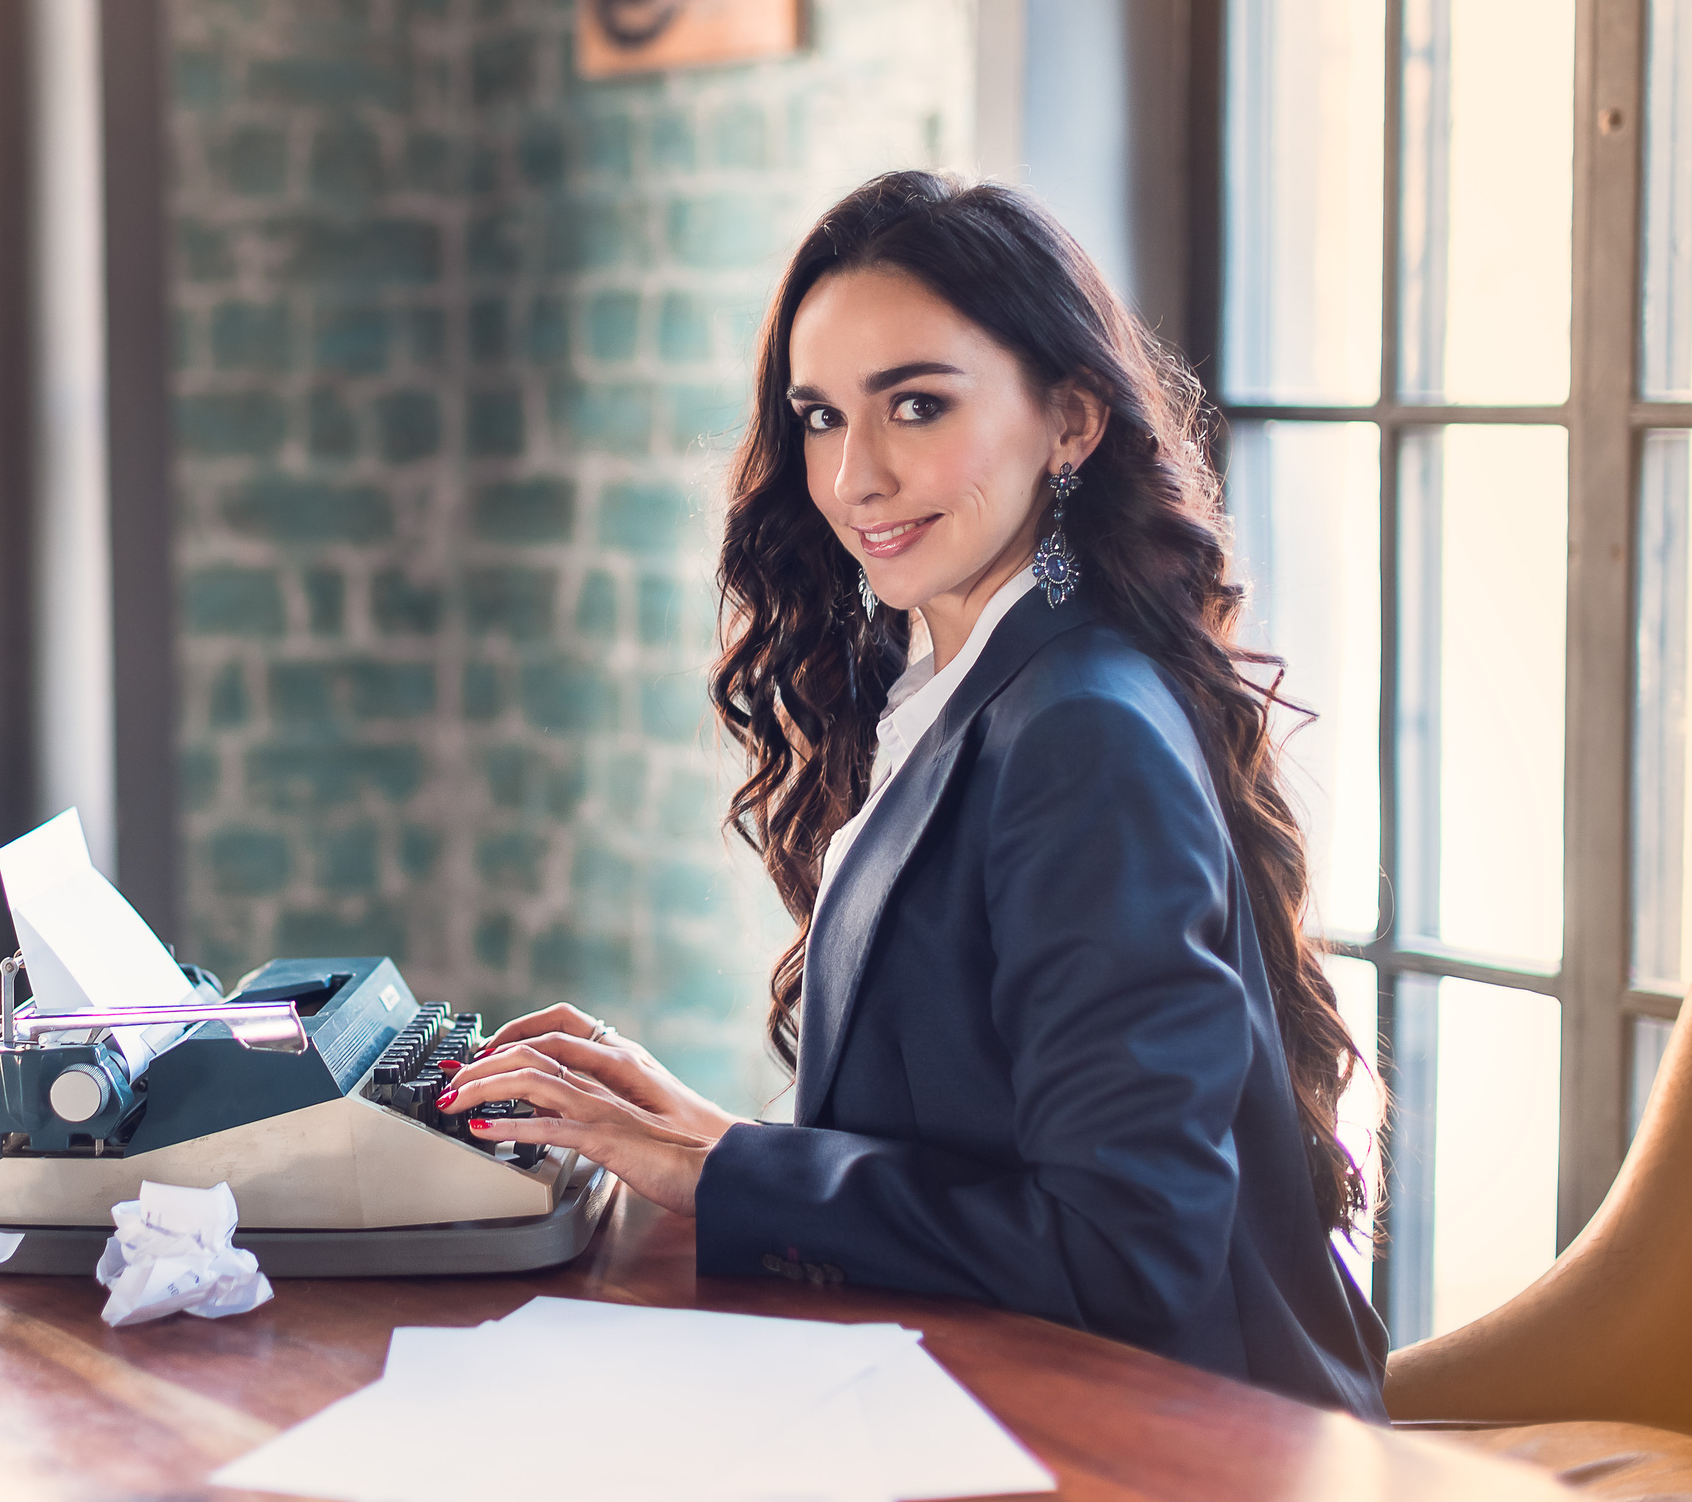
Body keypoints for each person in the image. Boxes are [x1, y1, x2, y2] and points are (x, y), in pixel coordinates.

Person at [437, 171, 1390, 1419]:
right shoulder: (953, 677)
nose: (856, 479)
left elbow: (1127, 1251)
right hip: (1002, 1394)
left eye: (918, 407)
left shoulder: (1081, 731)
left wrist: (722, 1166)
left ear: (1071, 421)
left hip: (1162, 1444)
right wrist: (702, 1137)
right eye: (821, 417)